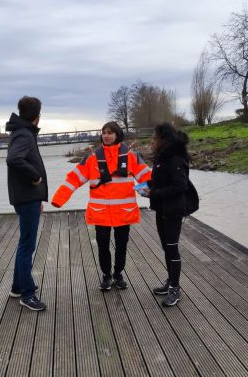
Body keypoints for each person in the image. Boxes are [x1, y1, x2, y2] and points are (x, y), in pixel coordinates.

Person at [52, 121, 151, 290]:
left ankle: (118, 274)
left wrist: (162, 196)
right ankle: (106, 276)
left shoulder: (131, 156)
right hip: (101, 212)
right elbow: (74, 179)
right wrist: (58, 199)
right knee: (103, 246)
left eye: (110, 132)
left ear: (117, 134)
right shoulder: (91, 157)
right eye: (104, 132)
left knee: (122, 246)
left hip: (123, 212)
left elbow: (147, 178)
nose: (106, 135)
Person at [6, 96, 48, 311]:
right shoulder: (24, 134)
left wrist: (38, 196)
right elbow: (14, 159)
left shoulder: (20, 131)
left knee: (24, 243)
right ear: (37, 116)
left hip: (27, 197)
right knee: (27, 246)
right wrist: (35, 178)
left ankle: (16, 287)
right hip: (27, 196)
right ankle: (27, 294)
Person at [146, 123, 192, 306]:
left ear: (163, 139)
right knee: (166, 247)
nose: (152, 141)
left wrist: (154, 193)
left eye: (154, 138)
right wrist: (148, 187)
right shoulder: (162, 157)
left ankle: (175, 288)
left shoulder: (175, 158)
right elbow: (161, 180)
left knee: (172, 249)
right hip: (161, 209)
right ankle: (170, 281)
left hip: (173, 211)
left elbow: (180, 186)